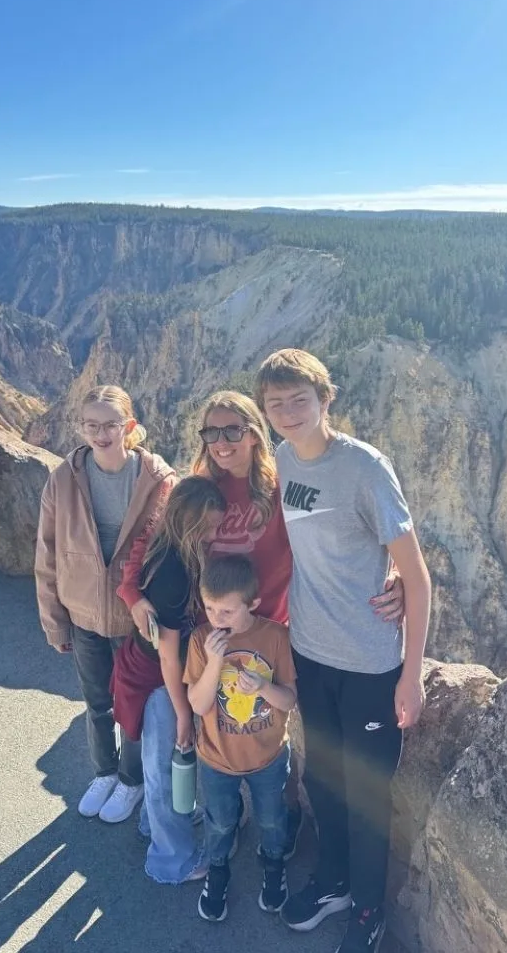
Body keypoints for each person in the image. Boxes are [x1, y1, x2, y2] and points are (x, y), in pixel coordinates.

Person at [118, 389, 406, 859]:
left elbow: (336, 534)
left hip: (268, 633)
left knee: (268, 733)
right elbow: (150, 542)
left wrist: (391, 573)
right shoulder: (198, 487)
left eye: (233, 430)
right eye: (211, 432)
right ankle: (223, 820)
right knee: (217, 730)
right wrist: (132, 595)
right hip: (207, 634)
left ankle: (280, 819)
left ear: (255, 434)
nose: (222, 442)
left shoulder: (282, 486)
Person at [254, 349, 431, 953]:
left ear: (326, 400)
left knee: (367, 793)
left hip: (369, 664)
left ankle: (367, 910)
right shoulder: (282, 457)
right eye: (274, 404)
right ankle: (332, 880)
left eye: (298, 400)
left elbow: (418, 575)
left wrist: (411, 676)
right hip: (310, 649)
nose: (287, 413)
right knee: (325, 779)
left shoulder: (365, 469)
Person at [35, 385, 177, 824]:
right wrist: (54, 622)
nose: (100, 434)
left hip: (135, 615)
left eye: (110, 425)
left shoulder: (156, 480)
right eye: (91, 425)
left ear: (129, 427)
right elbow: (47, 552)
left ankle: (132, 781)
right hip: (84, 614)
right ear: (80, 427)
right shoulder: (64, 479)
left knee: (133, 704)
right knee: (97, 702)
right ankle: (104, 773)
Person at [111, 476, 226, 884]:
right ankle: (173, 860)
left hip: (148, 669)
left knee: (159, 765)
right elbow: (168, 654)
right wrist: (183, 714)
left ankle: (151, 824)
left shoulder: (168, 546)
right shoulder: (175, 573)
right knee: (164, 767)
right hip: (158, 679)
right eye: (208, 528)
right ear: (188, 523)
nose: (214, 536)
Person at [185, 554, 297, 923]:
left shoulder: (276, 637)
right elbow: (200, 704)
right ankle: (217, 872)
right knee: (219, 821)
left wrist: (264, 686)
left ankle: (273, 865)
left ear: (253, 605)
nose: (217, 619)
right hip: (218, 758)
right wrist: (216, 662)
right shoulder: (202, 640)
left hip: (269, 756)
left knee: (272, 820)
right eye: (210, 608)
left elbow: (289, 700)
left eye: (227, 612)